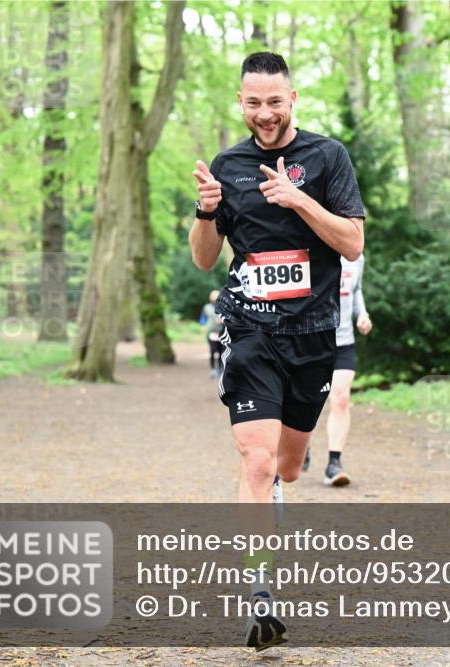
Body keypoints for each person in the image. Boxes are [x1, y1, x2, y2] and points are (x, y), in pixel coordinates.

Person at [188, 52, 365, 649]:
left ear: (293, 100)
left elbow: (352, 242)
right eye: (253, 102)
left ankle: (284, 483)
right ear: (241, 103)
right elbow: (205, 258)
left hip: (313, 335)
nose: (264, 113)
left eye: (275, 101)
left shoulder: (327, 156)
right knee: (256, 461)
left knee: (289, 464)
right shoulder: (228, 165)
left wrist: (297, 199)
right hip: (251, 328)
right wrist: (206, 211)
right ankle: (259, 591)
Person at [323, 253, 373, 486]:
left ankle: (334, 464)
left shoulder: (356, 257)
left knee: (341, 399)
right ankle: (298, 447)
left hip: (343, 342)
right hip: (310, 342)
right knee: (301, 402)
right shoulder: (311, 246)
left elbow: (356, 289)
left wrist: (362, 313)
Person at [200, 289, 224, 378]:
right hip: (211, 333)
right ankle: (213, 369)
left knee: (222, 351)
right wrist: (202, 325)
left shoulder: (224, 307)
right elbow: (202, 318)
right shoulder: (207, 308)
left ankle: (221, 369)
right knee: (213, 351)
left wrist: (222, 321)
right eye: (214, 299)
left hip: (221, 333)